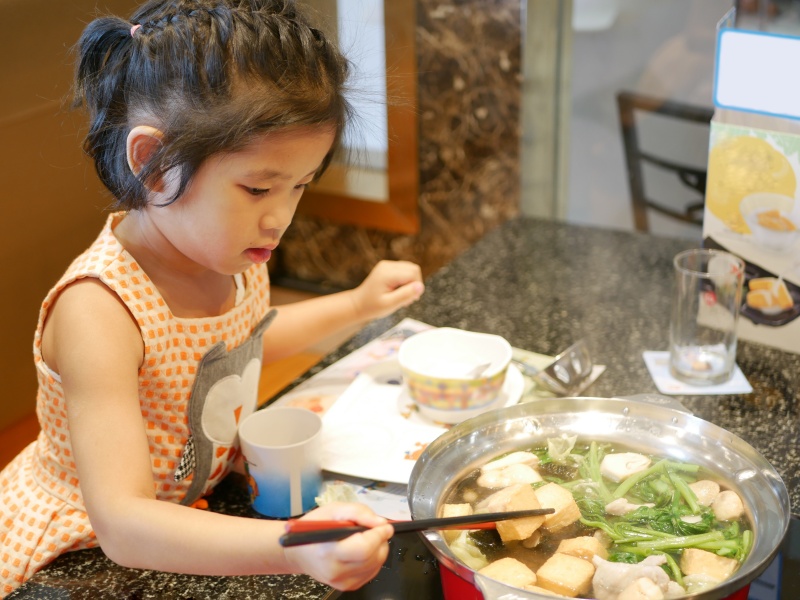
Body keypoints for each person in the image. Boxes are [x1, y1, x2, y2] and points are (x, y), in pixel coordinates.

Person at [0, 0, 425, 596]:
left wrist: (358, 304)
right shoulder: (98, 310)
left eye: (300, 185)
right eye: (257, 188)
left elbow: (238, 345)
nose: (280, 217)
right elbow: (122, 523)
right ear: (154, 164)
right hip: (82, 549)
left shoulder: (228, 253)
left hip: (188, 511)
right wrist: (297, 548)